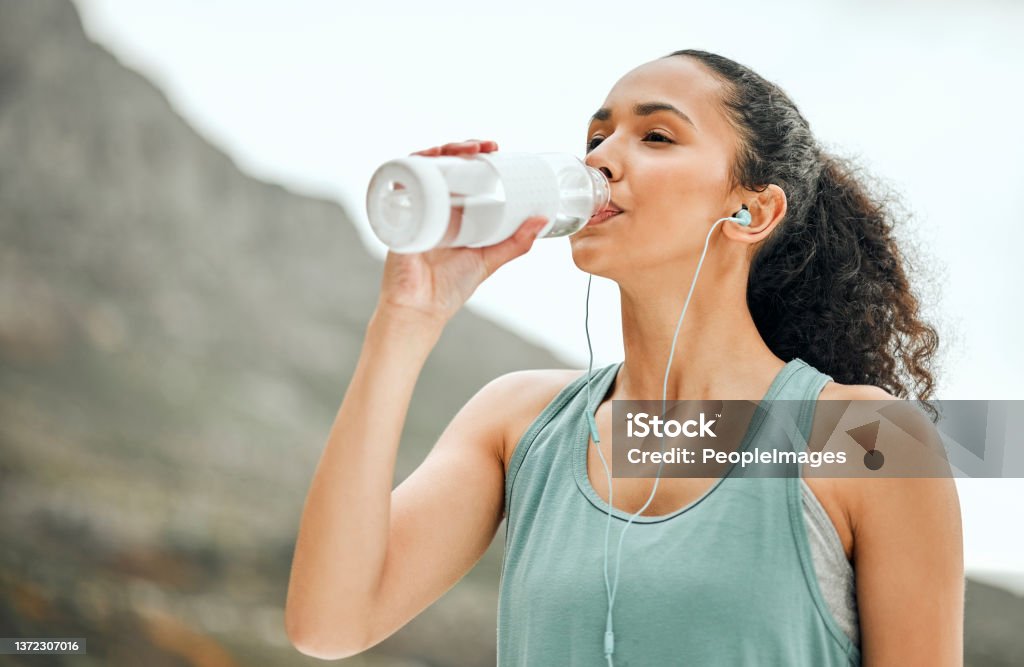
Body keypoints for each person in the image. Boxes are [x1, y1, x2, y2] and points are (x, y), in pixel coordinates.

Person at [285, 50, 964, 665]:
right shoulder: (518, 423)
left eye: (657, 135)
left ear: (751, 212)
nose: (601, 159)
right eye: (596, 137)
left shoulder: (871, 442)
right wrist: (407, 318)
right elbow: (329, 622)